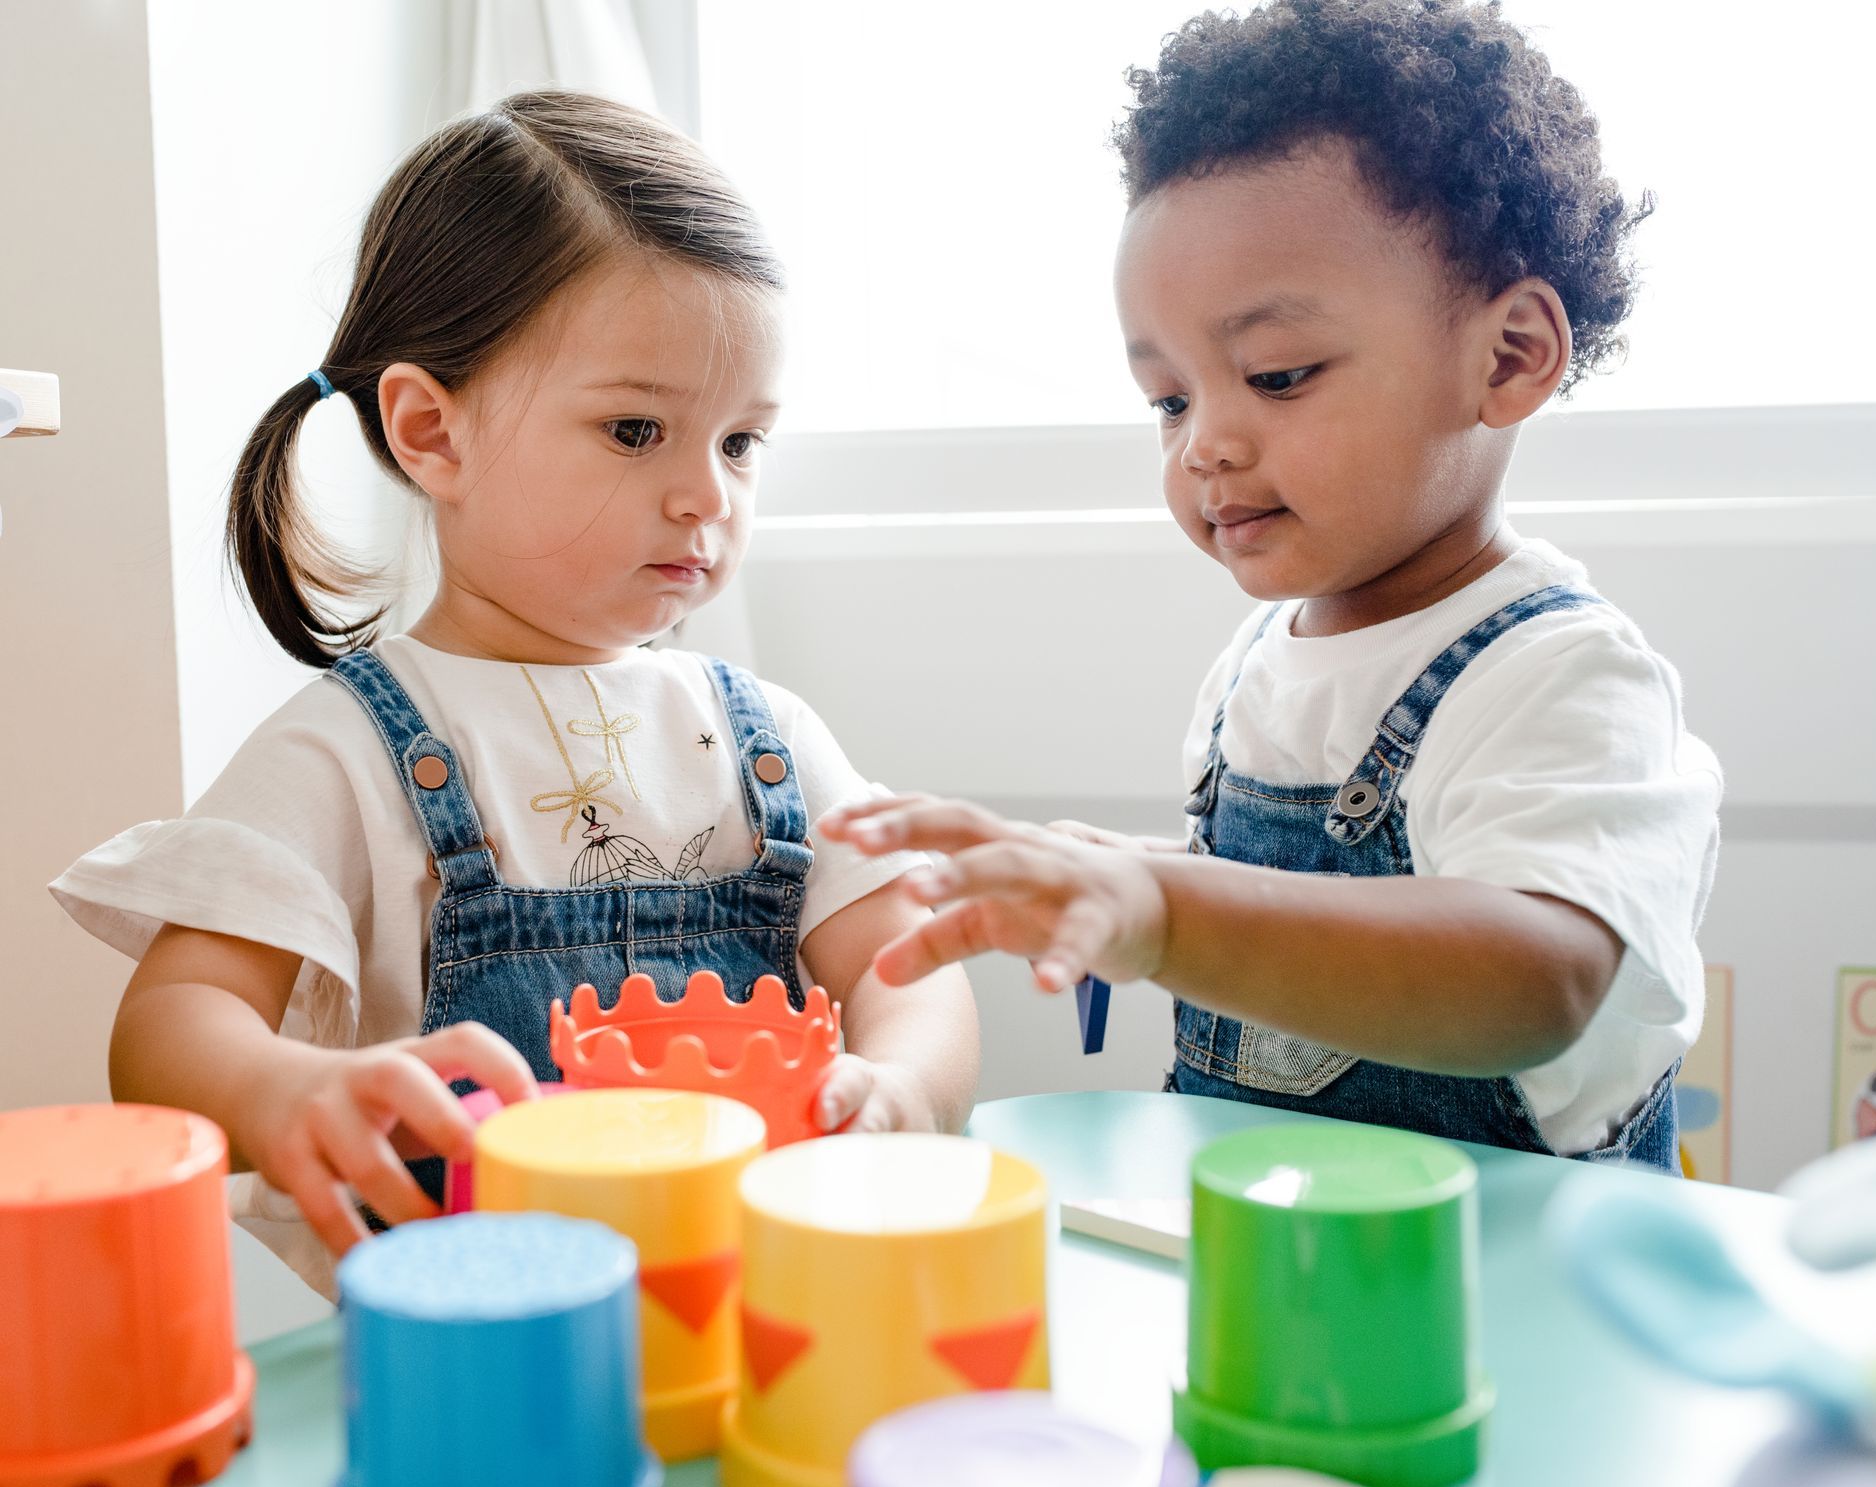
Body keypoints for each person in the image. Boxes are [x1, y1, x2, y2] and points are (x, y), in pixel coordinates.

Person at [53, 91, 978, 1294]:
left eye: (742, 442)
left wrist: (904, 1087)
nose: (709, 494)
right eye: (638, 430)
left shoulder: (768, 739)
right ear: (433, 431)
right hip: (476, 1357)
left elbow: (910, 964)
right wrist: (289, 1088)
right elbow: (172, 1024)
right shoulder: (350, 750)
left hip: (756, 1318)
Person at [825, 0, 1719, 1171]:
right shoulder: (1258, 660)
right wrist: (1136, 882)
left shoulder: (1561, 675)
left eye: (1276, 374)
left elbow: (1538, 973)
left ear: (1508, 357)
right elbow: (1300, 911)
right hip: (1284, 1267)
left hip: (1507, 1289)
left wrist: (1169, 909)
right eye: (1170, 398)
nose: (1205, 444)